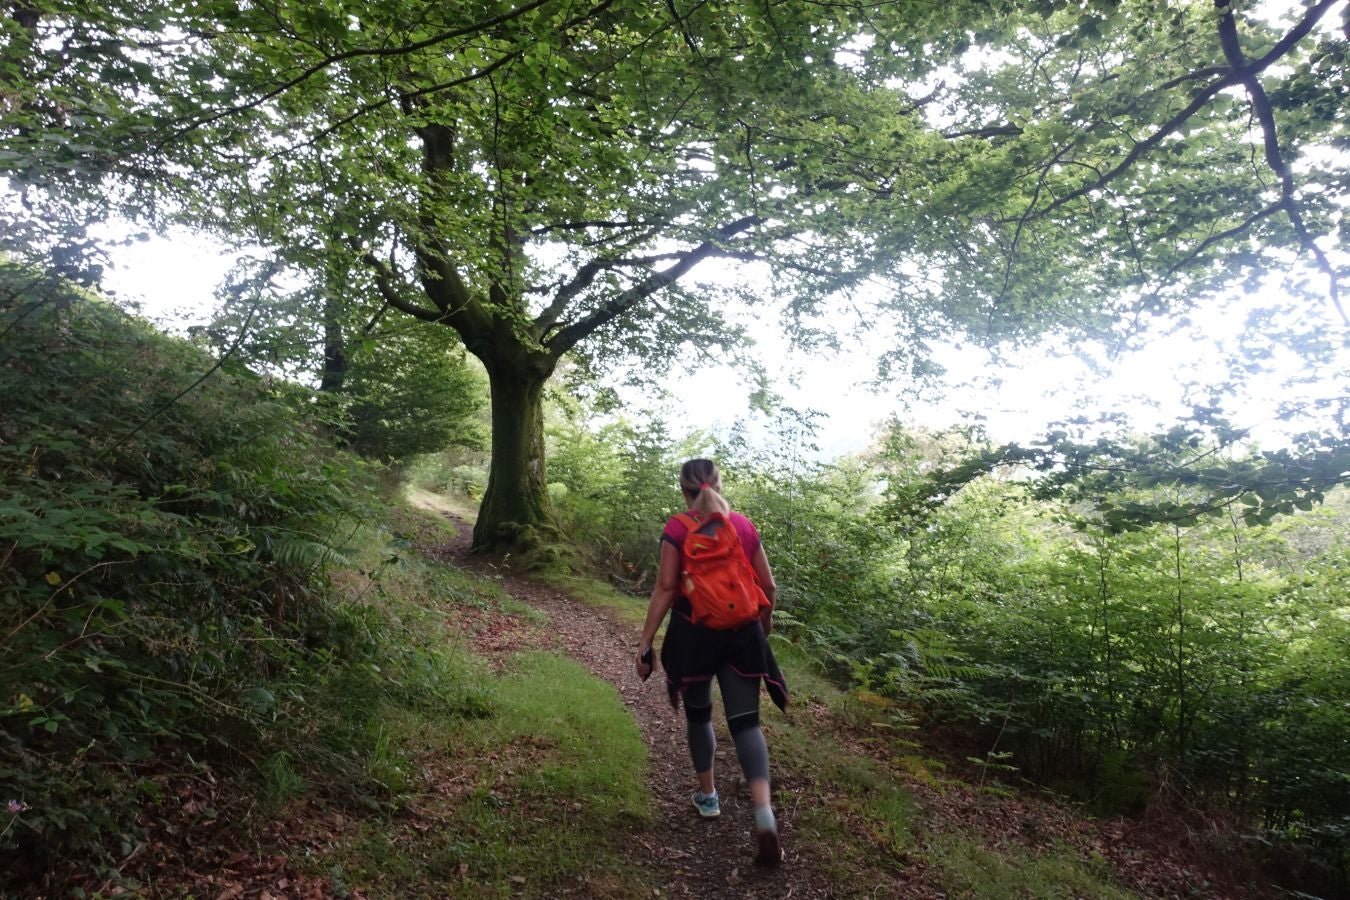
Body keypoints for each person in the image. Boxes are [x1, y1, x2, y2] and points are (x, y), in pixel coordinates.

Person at [635, 458, 788, 866]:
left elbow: (667, 587)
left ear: (683, 490)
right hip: (743, 634)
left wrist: (646, 643)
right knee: (746, 723)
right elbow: (768, 585)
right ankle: (764, 814)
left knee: (699, 716)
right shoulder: (742, 525)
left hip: (694, 635)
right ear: (718, 483)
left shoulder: (677, 529)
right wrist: (763, 625)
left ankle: (708, 797)